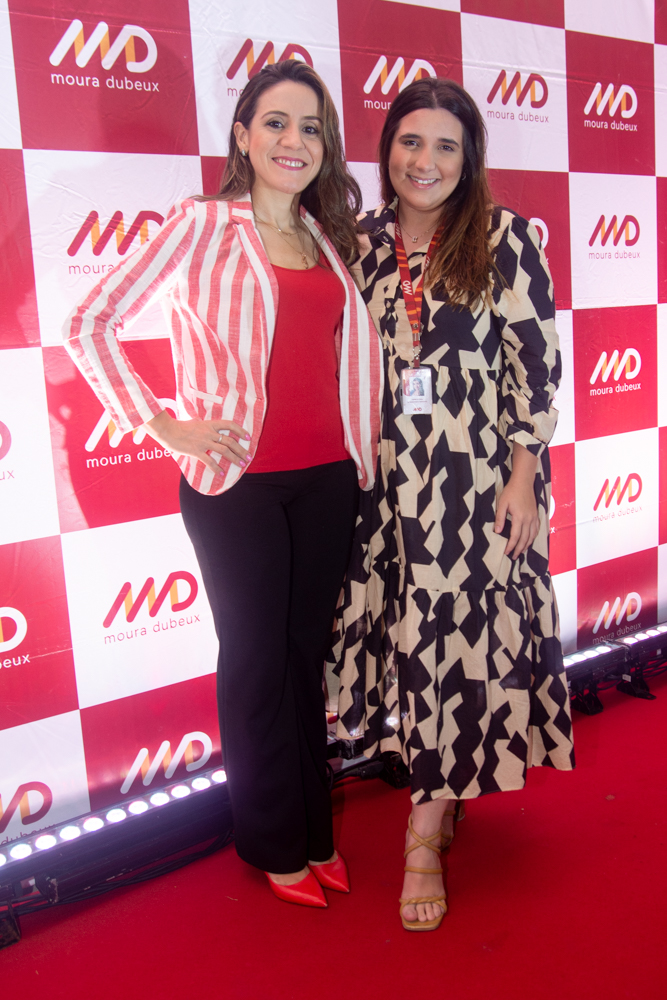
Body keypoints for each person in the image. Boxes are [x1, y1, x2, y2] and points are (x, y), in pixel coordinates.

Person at [64, 60, 383, 908]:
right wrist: (161, 422)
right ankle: (275, 843)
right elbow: (89, 322)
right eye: (275, 122)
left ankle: (315, 831)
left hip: (328, 480)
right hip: (236, 483)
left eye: (310, 127)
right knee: (254, 662)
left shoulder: (325, 237)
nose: (293, 141)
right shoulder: (203, 223)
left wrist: (362, 455)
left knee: (302, 657)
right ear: (242, 135)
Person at [334, 78, 574, 931]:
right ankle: (441, 778)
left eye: (445, 145)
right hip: (379, 479)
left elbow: (535, 363)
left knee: (455, 639)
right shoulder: (359, 242)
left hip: (475, 479)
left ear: (469, 158)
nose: (424, 160)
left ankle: (423, 834)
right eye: (410, 141)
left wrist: (523, 472)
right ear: (386, 150)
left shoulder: (503, 237)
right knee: (407, 637)